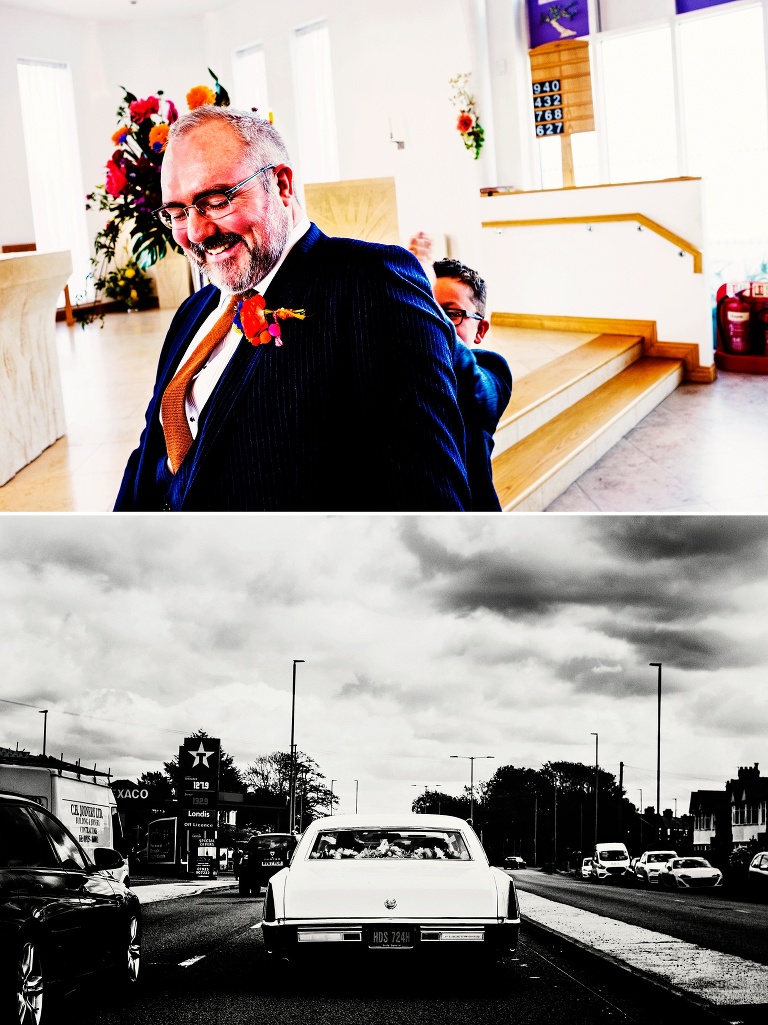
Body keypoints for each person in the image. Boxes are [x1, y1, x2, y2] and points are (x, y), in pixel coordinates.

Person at [114, 107, 469, 511]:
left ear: (281, 185)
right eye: (177, 213)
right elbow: (151, 449)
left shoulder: (370, 284)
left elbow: (428, 499)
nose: (196, 232)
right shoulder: (193, 312)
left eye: (215, 201)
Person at [408, 236, 512, 511]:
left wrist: (419, 297)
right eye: (425, 307)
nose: (429, 320)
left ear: (480, 330)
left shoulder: (493, 370)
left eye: (452, 313)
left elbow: (472, 386)